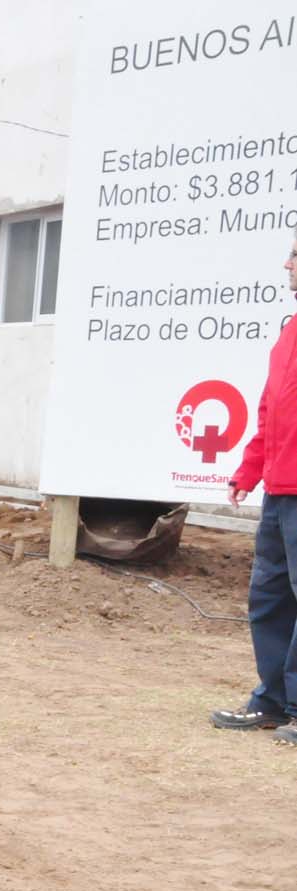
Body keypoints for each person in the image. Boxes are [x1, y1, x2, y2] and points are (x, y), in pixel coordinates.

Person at [211, 229, 297, 744]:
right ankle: (271, 701)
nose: (288, 266)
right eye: (290, 258)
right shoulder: (288, 335)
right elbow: (270, 411)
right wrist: (249, 469)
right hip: (279, 492)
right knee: (268, 597)